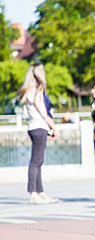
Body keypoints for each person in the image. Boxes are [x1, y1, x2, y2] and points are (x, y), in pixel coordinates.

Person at [17, 63, 59, 205]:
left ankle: (40, 192)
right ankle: (33, 193)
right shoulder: (37, 91)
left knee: (37, 161)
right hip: (39, 127)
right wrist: (54, 127)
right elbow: (44, 113)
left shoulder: (28, 91)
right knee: (36, 161)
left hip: (32, 126)